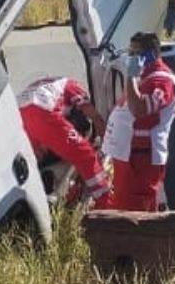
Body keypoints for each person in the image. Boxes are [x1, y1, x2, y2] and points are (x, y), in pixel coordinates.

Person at [106, 32, 175, 212]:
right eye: (130, 52)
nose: (131, 57)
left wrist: (131, 76)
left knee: (135, 210)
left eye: (136, 53)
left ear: (151, 55)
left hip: (142, 157)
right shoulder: (144, 78)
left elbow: (139, 109)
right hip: (128, 154)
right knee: (123, 206)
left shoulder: (162, 81)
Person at [17, 76, 111, 207]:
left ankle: (44, 196)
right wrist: (107, 144)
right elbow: (94, 116)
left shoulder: (46, 84)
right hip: (42, 110)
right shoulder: (71, 84)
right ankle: (105, 202)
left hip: (20, 115)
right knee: (85, 155)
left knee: (35, 162)